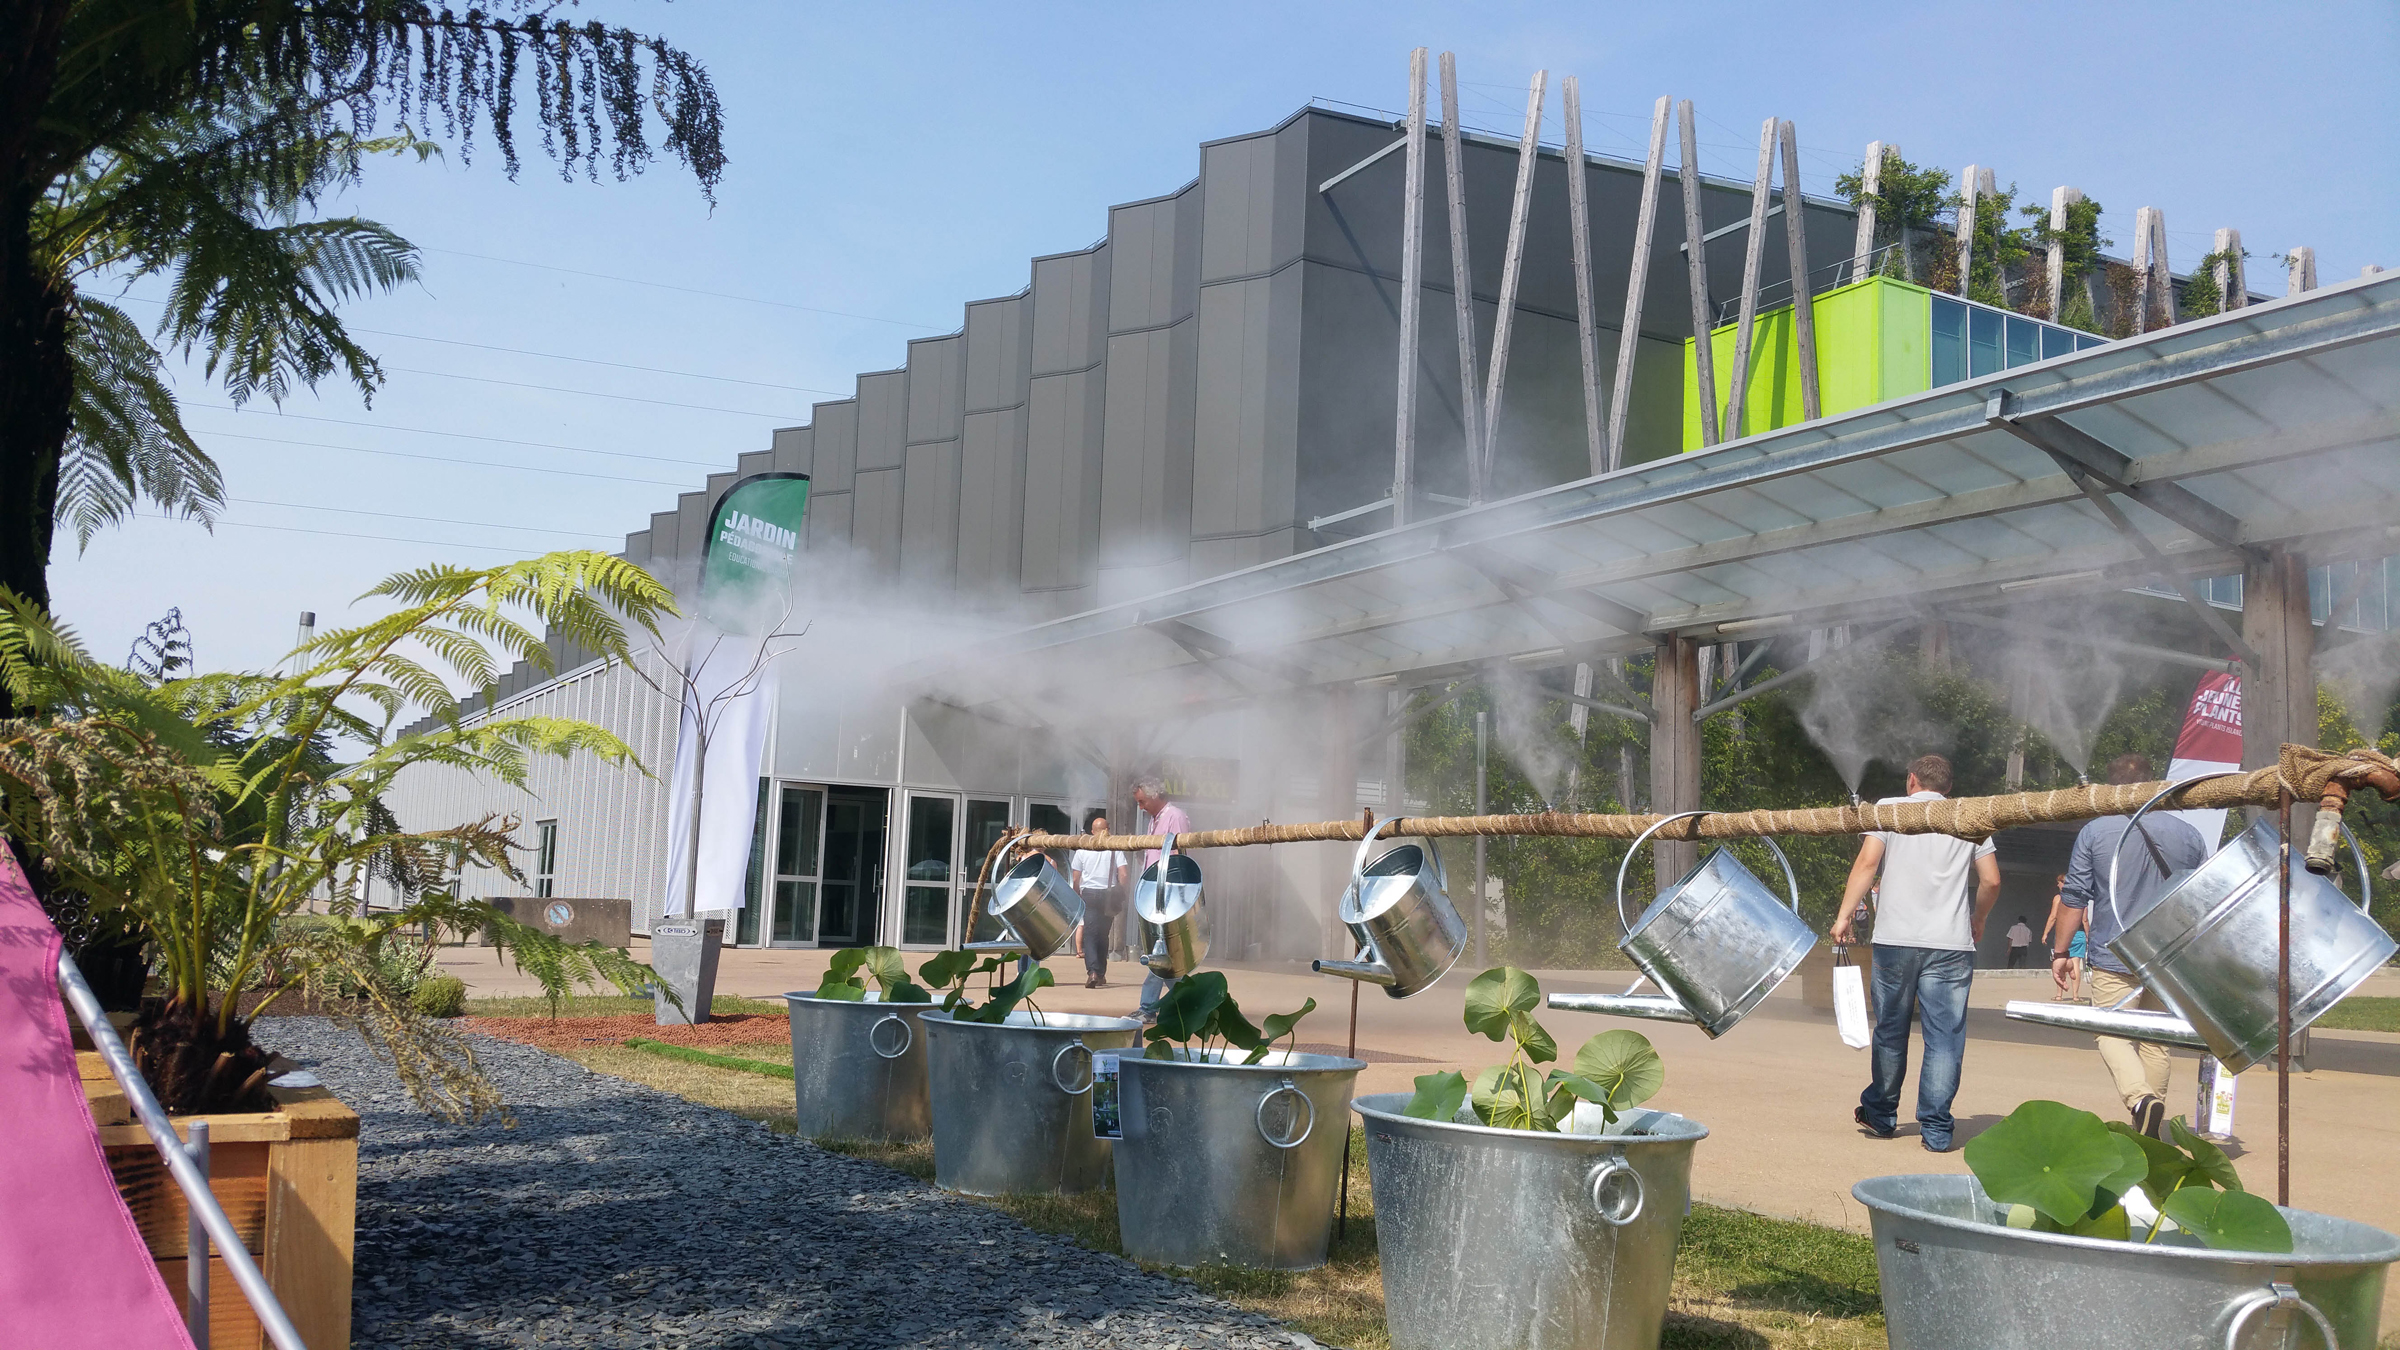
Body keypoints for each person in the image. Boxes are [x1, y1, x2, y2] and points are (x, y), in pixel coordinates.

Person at [1831, 753, 2001, 1154]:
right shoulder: (1968, 815)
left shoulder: (1888, 810)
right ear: (1948, 788)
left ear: (1911, 781)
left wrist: (1842, 918)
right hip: (1951, 943)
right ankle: (1937, 1130)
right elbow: (1991, 880)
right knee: (1944, 1038)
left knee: (1891, 1030)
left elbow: (1867, 863)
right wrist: (1978, 918)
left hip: (1896, 938)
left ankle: (1882, 1115)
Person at [2050, 752, 2208, 1139]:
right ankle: (2148, 1127)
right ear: (2153, 783)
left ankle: (2140, 1100)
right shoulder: (2188, 834)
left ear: (2110, 788)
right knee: (2156, 1042)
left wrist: (2061, 952)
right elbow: (2200, 896)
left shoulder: (2095, 831)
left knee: (2110, 1031)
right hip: (2168, 953)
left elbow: (2074, 897)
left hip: (2113, 949)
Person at [1131, 775, 1191, 1025]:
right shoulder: (1154, 819)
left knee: (1159, 952)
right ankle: (1184, 1001)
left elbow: (1179, 857)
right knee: (1161, 953)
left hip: (1166, 892)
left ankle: (1149, 1006)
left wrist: (1174, 896)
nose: (1140, 807)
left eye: (1142, 801)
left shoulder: (1174, 816)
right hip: (1154, 891)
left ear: (1155, 796)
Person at [1069, 810, 1128, 990]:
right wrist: (1121, 891)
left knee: (1090, 934)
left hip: (1090, 894)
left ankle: (1093, 972)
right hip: (1108, 895)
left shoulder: (1082, 849)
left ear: (1093, 831)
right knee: (1103, 935)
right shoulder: (1114, 847)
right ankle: (1100, 973)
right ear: (1107, 830)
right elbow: (1124, 873)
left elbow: (1076, 878)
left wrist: (1077, 893)